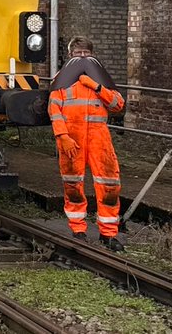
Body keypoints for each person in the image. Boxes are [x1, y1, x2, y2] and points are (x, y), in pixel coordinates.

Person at [49, 36, 127, 251]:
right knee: (73, 185)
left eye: (86, 53)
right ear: (70, 56)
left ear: (92, 55)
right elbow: (54, 109)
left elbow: (118, 105)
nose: (82, 57)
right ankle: (78, 229)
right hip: (71, 140)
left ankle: (109, 233)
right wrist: (62, 136)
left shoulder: (99, 78)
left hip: (99, 138)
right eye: (78, 53)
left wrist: (96, 86)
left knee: (109, 185)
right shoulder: (61, 79)